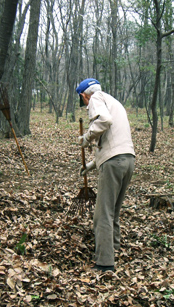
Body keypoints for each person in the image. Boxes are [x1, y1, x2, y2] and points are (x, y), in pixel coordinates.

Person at [76, 78, 135, 272]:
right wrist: (91, 165)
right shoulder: (113, 101)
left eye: (82, 100)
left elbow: (104, 121)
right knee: (114, 210)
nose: (85, 103)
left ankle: (104, 263)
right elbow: (112, 142)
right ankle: (114, 247)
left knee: (103, 214)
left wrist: (86, 137)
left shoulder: (96, 99)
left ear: (84, 95)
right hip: (128, 160)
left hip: (114, 162)